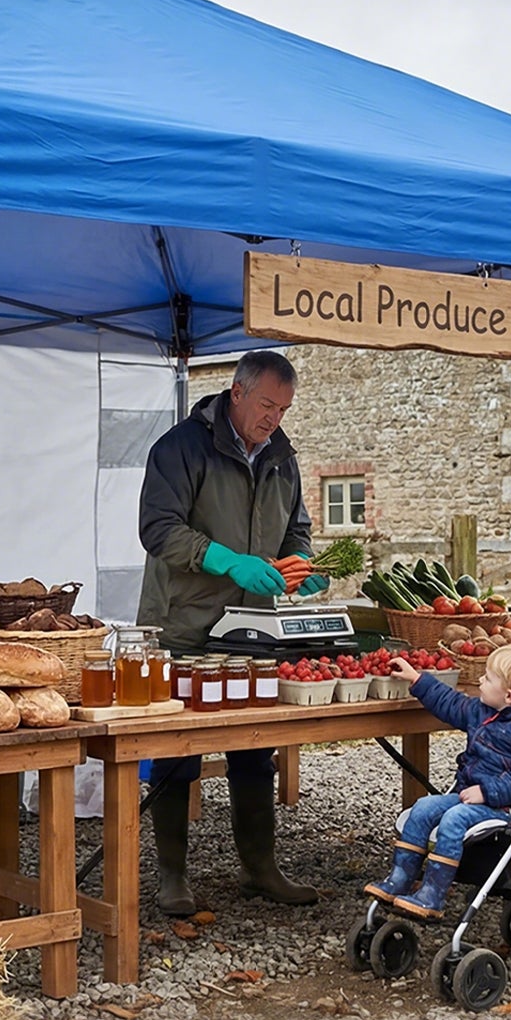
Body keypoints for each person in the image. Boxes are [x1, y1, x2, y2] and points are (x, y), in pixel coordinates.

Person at [137, 349, 326, 914]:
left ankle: (260, 868)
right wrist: (225, 559)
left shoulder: (282, 456)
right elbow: (157, 529)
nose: (275, 418)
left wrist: (300, 565)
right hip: (183, 623)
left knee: (256, 745)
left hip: (254, 626)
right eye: (267, 404)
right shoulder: (180, 447)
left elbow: (297, 527)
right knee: (177, 750)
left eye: (284, 408)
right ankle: (172, 875)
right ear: (237, 392)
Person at [365, 644, 511, 919]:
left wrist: (487, 792)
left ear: (509, 696)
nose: (480, 681)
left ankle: (433, 894)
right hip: (468, 794)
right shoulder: (486, 710)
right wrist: (417, 679)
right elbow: (451, 703)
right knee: (424, 807)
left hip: (503, 807)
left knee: (454, 819)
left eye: (487, 678)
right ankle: (400, 878)